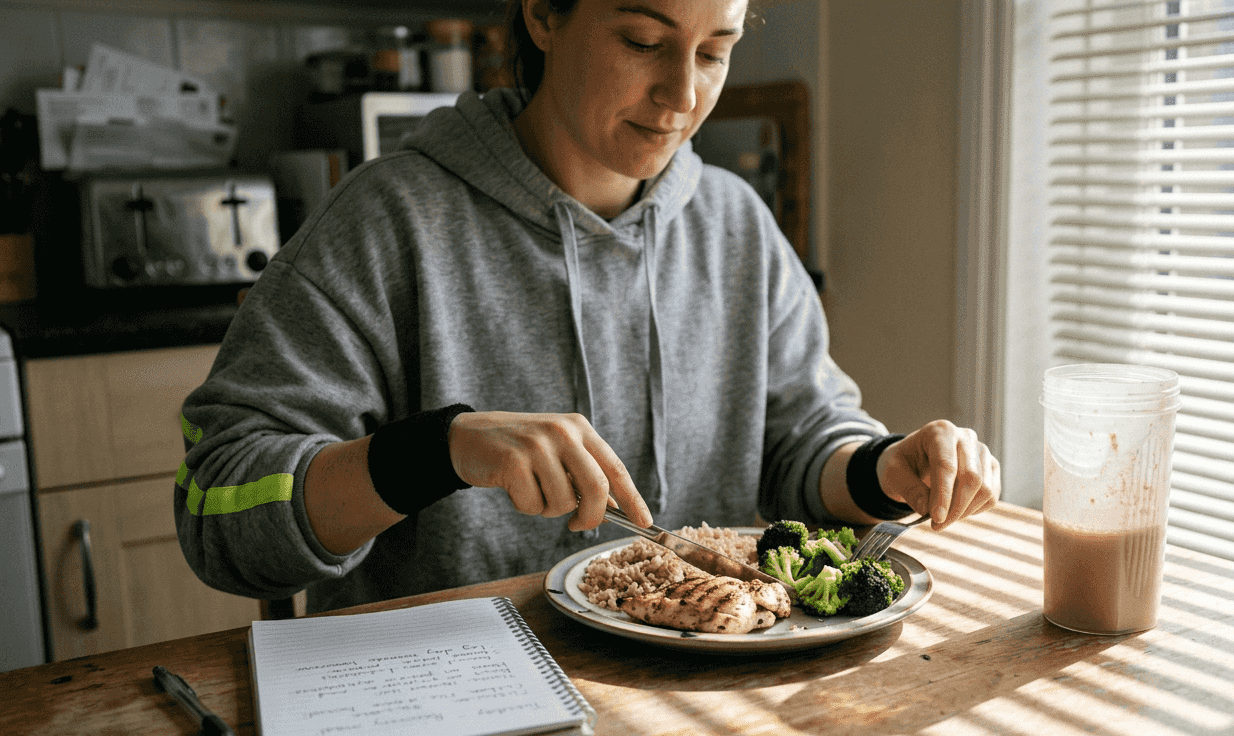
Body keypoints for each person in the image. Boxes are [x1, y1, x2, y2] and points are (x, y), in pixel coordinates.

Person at [174, 0, 1001, 613]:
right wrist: (436, 451)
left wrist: (884, 470)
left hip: (690, 703)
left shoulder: (734, 223)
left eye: (714, 52)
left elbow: (800, 448)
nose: (681, 95)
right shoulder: (389, 220)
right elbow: (216, 507)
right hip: (450, 700)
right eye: (643, 41)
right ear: (541, 13)